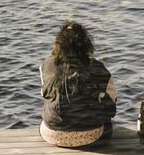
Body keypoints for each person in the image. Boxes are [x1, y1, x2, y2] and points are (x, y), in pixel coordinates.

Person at [39, 20, 117, 148]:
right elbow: (111, 107)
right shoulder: (97, 67)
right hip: (90, 136)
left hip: (53, 134)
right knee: (107, 123)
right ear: (86, 44)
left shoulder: (47, 65)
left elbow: (44, 94)